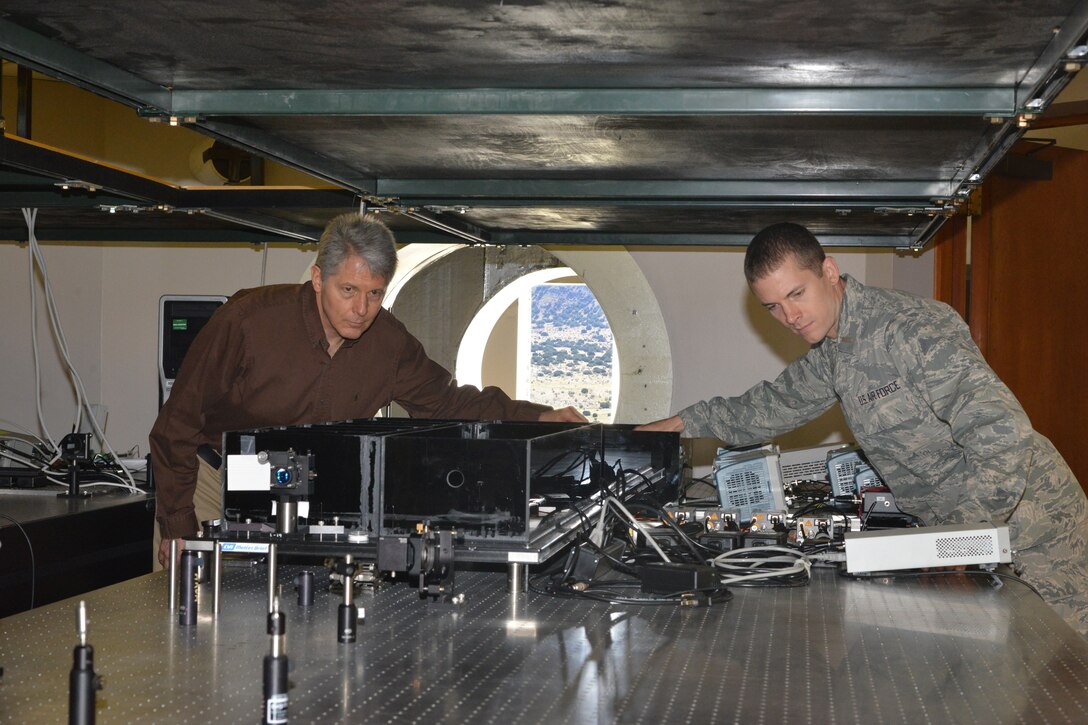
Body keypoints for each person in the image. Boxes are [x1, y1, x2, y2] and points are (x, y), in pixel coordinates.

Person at [640, 222, 1088, 636]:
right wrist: (677, 425)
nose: (790, 316)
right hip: (968, 536)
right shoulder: (834, 350)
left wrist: (954, 541)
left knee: (1069, 667)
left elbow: (1001, 433)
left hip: (1037, 527)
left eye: (797, 294)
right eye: (774, 306)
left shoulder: (908, 328)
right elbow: (771, 406)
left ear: (829, 272)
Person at [150, 212, 585, 567]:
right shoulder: (247, 322)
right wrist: (179, 525)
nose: (361, 310)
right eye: (349, 290)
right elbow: (176, 426)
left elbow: (449, 402)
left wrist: (538, 417)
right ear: (318, 279)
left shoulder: (389, 344)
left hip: (307, 500)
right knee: (191, 624)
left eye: (375, 294)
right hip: (213, 484)